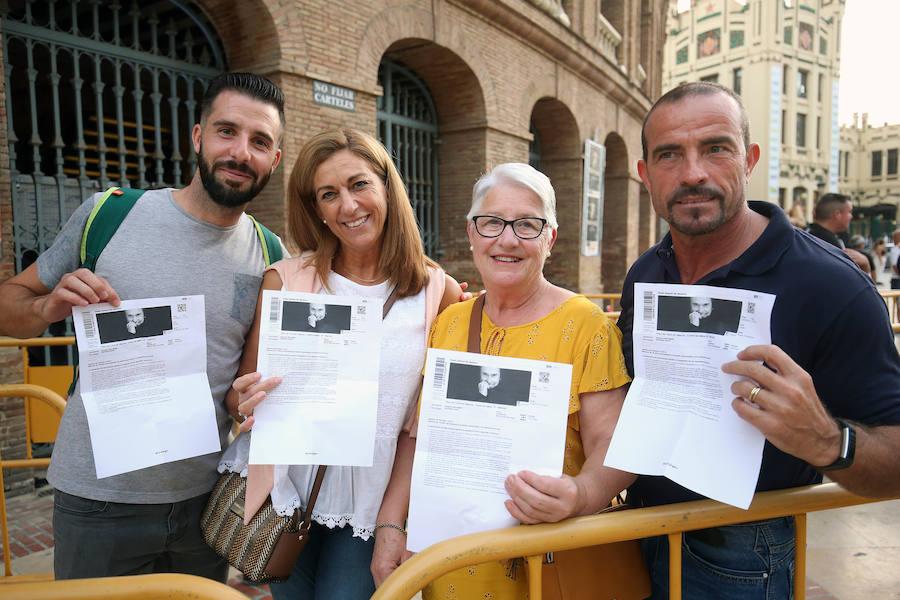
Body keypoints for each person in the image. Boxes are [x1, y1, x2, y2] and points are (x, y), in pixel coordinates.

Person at [618, 81, 900, 599]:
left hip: (744, 553)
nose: (693, 173)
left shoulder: (832, 285)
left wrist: (827, 441)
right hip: (628, 533)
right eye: (669, 155)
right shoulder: (645, 273)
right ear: (645, 175)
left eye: (716, 148)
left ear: (749, 159)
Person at [0, 72, 286, 580]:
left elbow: (244, 381)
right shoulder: (109, 216)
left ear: (274, 160)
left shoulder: (270, 255)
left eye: (259, 141)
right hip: (99, 502)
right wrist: (46, 310)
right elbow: (9, 303)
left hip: (206, 501)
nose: (241, 152)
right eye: (227, 131)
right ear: (197, 137)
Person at [372, 163, 633, 598]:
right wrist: (390, 525)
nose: (507, 239)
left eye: (527, 225)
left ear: (550, 239)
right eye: (492, 222)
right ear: (471, 233)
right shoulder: (449, 324)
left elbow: (614, 442)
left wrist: (581, 493)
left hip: (548, 562)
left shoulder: (587, 325)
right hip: (452, 560)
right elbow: (419, 438)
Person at [223, 128, 464, 600]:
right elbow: (239, 396)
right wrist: (245, 399)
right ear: (316, 210)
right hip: (286, 497)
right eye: (328, 194)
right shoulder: (286, 280)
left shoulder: (438, 291)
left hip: (372, 506)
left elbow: (430, 420)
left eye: (359, 185)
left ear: (386, 188)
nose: (348, 206)